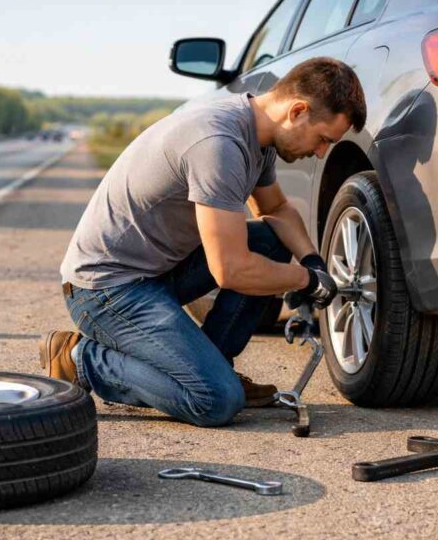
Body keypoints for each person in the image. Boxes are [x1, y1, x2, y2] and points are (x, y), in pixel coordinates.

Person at [42, 57, 366, 427]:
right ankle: (81, 359)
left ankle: (213, 365)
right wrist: (304, 281)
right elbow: (230, 270)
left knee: (270, 240)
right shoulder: (219, 144)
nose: (322, 152)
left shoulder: (257, 138)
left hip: (158, 272)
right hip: (106, 289)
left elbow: (275, 209)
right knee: (215, 400)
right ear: (297, 111)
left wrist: (312, 261)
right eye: (323, 139)